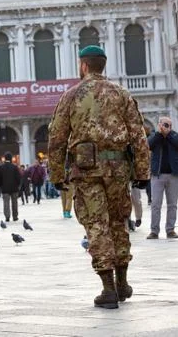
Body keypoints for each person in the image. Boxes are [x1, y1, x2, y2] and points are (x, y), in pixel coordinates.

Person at [48, 45, 150, 309]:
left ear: (83, 65)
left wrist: (57, 174)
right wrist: (142, 172)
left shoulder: (71, 95)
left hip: (87, 170)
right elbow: (138, 134)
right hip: (118, 169)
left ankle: (107, 289)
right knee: (118, 222)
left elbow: (57, 138)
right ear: (103, 65)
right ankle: (123, 282)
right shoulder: (122, 94)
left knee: (96, 224)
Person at [146, 117, 178, 239]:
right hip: (157, 175)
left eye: (168, 124)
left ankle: (170, 230)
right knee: (155, 204)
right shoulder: (155, 136)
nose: (166, 126)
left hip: (173, 175)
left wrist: (168, 135)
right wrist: (159, 134)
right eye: (164, 124)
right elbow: (149, 145)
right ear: (159, 125)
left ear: (171, 125)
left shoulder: (175, 136)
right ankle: (154, 231)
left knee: (172, 204)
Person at [0, 152, 21, 222]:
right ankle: (15, 216)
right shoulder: (14, 167)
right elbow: (18, 178)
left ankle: (7, 216)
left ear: (5, 158)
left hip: (5, 188)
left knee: (6, 203)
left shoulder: (1, 167)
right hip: (14, 188)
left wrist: (1, 186)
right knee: (14, 203)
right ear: (11, 158)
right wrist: (17, 185)